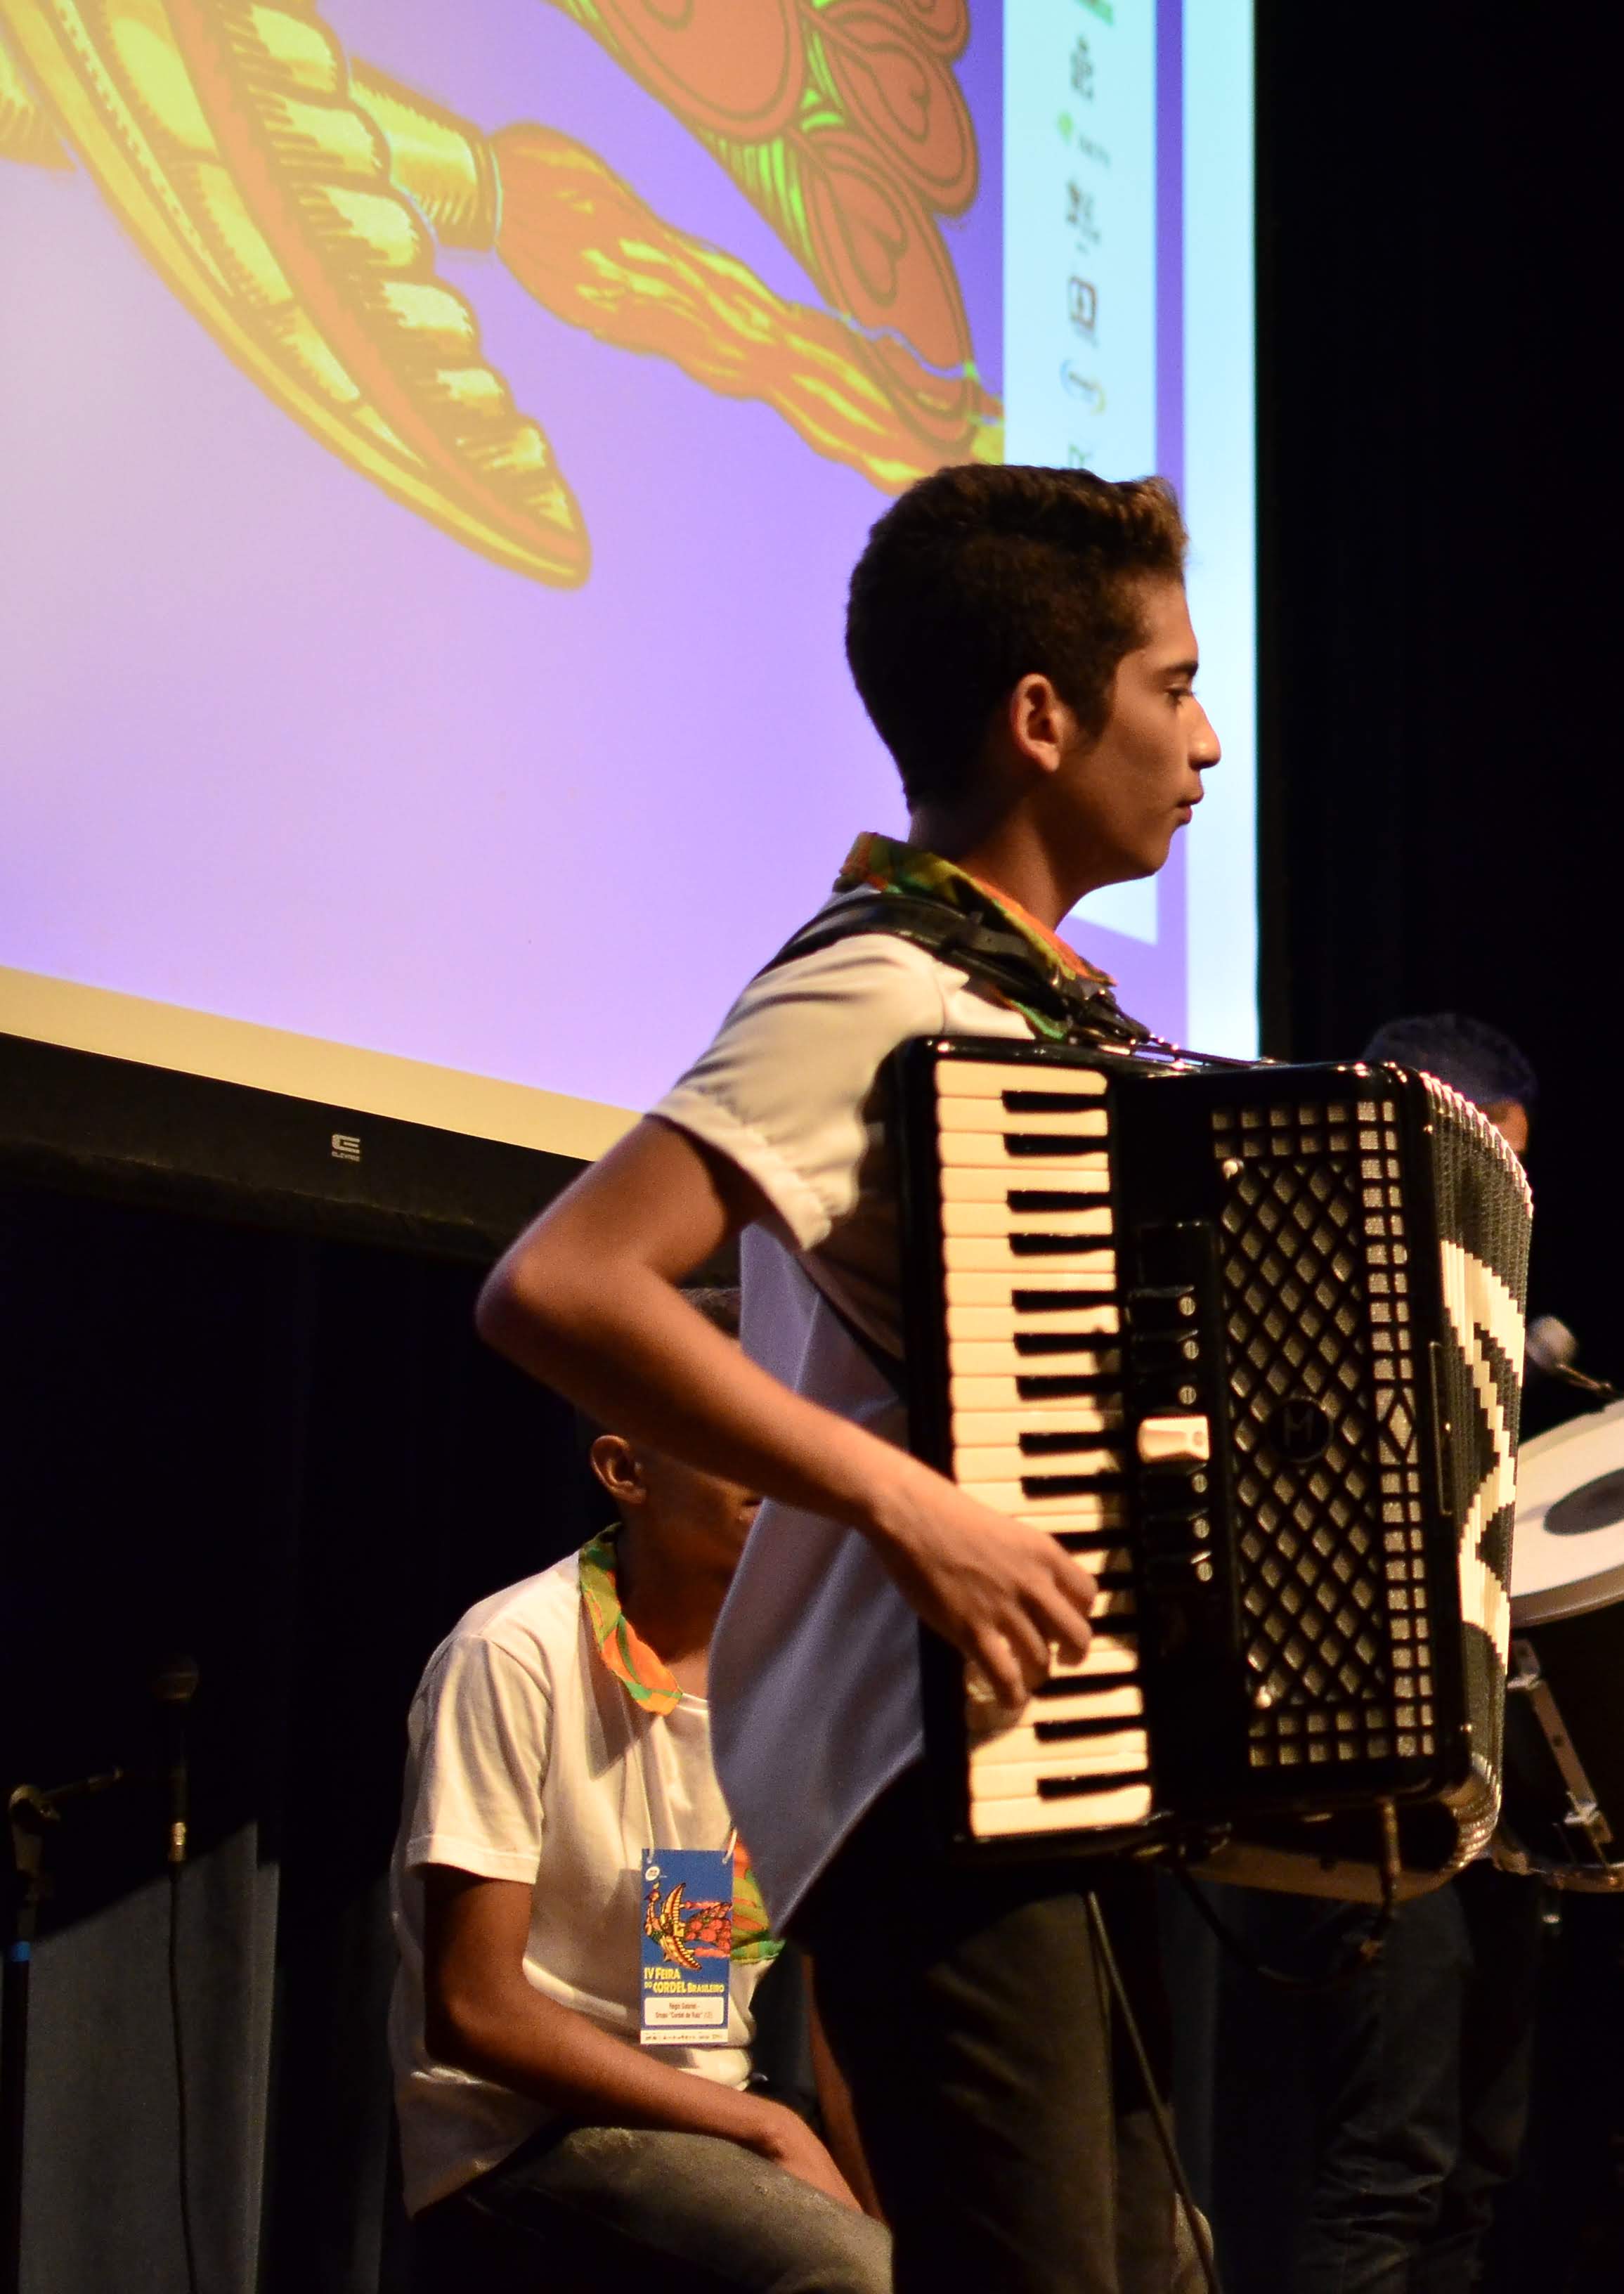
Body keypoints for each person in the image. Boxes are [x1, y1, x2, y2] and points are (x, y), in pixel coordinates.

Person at [476, 463, 1221, 2293]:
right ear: (1042, 718)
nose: (1207, 742)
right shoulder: (876, 983)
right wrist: (907, 1503)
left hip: (1049, 1756)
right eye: (1175, 687)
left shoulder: (1031, 1007)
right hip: (919, 1771)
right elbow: (563, 1283)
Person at [394, 1285, 890, 2291]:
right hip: (524, 2142)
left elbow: (839, 2013)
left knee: (1145, 2244)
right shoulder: (514, 1652)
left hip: (717, 2121)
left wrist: (904, 2218)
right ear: (627, 1470)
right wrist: (763, 2126)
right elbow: (474, 2007)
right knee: (845, 2275)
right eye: (729, 1420)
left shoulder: (804, 1678)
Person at [1203, 1013, 1548, 2294]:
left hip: (1464, 1795)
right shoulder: (1289, 1288)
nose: (1504, 1205)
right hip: (1348, 1784)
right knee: (1387, 2163)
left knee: (1472, 2166)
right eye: (1487, 1167)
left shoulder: (1478, 1335)